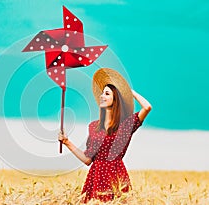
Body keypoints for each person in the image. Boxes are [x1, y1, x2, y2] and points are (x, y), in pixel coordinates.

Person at [58, 68, 152, 203]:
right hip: (96, 177)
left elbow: (147, 107)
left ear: (116, 98)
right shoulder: (93, 127)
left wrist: (129, 92)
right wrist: (67, 142)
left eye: (107, 93)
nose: (102, 96)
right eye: (102, 93)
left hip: (116, 176)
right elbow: (87, 160)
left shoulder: (126, 125)